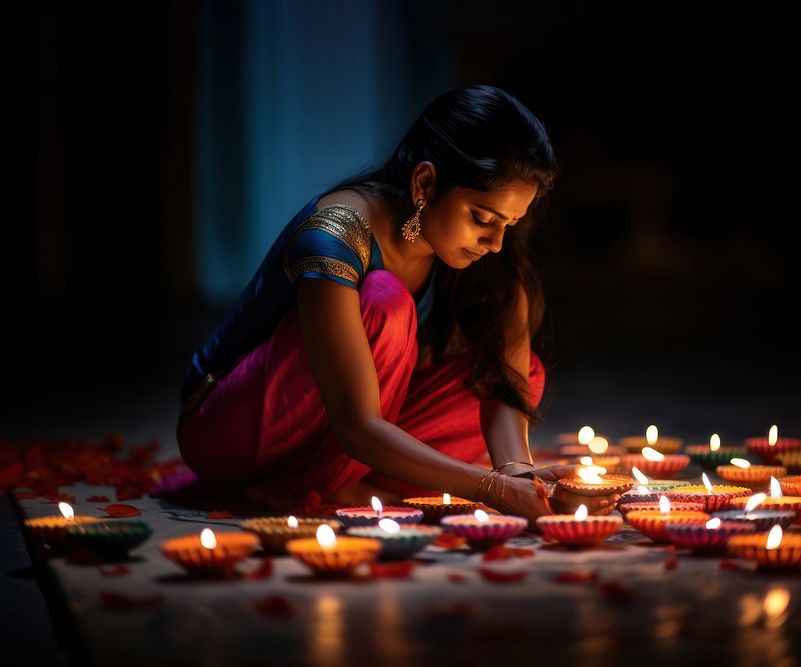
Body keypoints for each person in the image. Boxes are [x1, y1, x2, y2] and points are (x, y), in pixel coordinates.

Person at [176, 84, 614, 521]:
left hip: (339, 428)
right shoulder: (334, 236)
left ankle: (319, 484)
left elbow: (503, 397)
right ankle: (327, 482)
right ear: (425, 182)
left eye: (509, 224)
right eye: (482, 219)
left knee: (519, 374)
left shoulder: (475, 252)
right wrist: (489, 488)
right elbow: (357, 427)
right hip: (230, 425)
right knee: (386, 302)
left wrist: (518, 474)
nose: (497, 243)